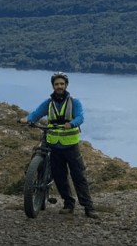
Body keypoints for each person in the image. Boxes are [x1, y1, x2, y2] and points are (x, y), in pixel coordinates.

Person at [20, 72, 99, 219]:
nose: (59, 86)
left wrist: (72, 123)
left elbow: (80, 116)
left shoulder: (74, 102)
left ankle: (89, 207)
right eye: (57, 84)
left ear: (66, 85)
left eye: (62, 84)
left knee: (78, 176)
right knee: (59, 177)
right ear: (53, 86)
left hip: (70, 146)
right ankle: (69, 204)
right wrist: (28, 119)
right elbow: (37, 113)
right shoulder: (48, 103)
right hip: (53, 145)